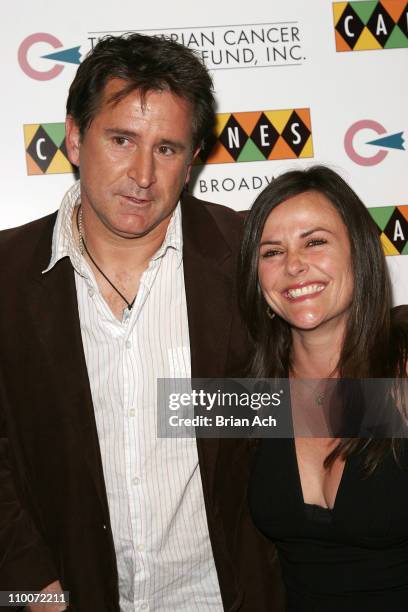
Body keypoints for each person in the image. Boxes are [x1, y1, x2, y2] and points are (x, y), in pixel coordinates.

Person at [0, 34, 284, 611]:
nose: (142, 174)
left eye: (167, 148)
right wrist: (30, 588)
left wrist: (191, 407)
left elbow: (318, 394)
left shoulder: (249, 256)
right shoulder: (5, 276)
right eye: (122, 139)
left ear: (193, 158)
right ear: (75, 138)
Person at [239, 165, 408, 611]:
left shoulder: (400, 373)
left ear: (360, 254)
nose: (294, 265)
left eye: (315, 242)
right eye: (271, 252)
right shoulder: (255, 396)